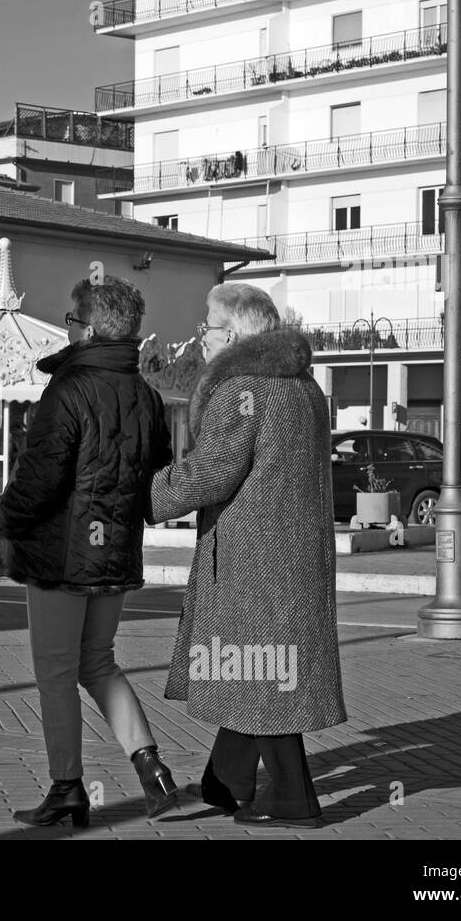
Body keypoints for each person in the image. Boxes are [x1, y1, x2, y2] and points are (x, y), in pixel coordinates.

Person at [149, 282, 347, 828]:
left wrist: (147, 495)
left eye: (207, 327)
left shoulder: (246, 390)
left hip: (254, 557)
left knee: (263, 671)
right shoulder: (302, 386)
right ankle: (226, 782)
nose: (203, 337)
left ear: (232, 332)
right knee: (253, 666)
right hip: (291, 554)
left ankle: (292, 798)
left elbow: (212, 471)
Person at [0, 275, 177, 828]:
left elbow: (40, 478)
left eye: (72, 320)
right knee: (98, 661)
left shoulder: (68, 389)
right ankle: (153, 769)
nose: (68, 328)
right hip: (115, 551)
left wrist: (4, 514)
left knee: (55, 670)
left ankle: (67, 787)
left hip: (61, 555)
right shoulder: (145, 395)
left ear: (90, 328)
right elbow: (155, 471)